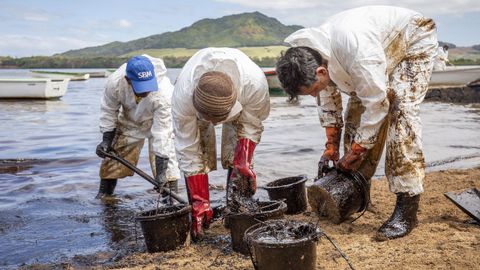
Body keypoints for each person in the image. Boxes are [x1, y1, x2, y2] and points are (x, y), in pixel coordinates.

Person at [276, 6, 437, 240]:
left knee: (400, 114)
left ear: (321, 72)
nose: (313, 96)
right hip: (370, 59)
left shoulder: (354, 47)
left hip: (411, 40)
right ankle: (359, 195)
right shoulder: (312, 54)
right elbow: (327, 99)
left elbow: (378, 102)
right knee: (355, 120)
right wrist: (331, 146)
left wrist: (358, 150)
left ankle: (407, 209)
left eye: (311, 91)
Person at [172, 48, 270, 240]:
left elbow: (251, 125)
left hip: (242, 99)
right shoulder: (182, 97)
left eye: (219, 119)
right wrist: (200, 201)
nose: (215, 124)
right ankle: (201, 211)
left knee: (236, 153)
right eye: (209, 119)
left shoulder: (254, 84)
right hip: (196, 104)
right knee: (199, 150)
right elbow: (188, 148)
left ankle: (235, 210)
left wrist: (243, 161)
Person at [95, 55, 180, 199]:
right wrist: (106, 140)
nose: (146, 92)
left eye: (148, 86)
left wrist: (160, 173)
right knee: (112, 161)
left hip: (157, 121)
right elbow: (109, 111)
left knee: (167, 168)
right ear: (128, 81)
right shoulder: (115, 82)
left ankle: (170, 201)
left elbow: (162, 133)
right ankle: (106, 198)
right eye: (141, 87)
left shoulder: (164, 92)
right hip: (130, 121)